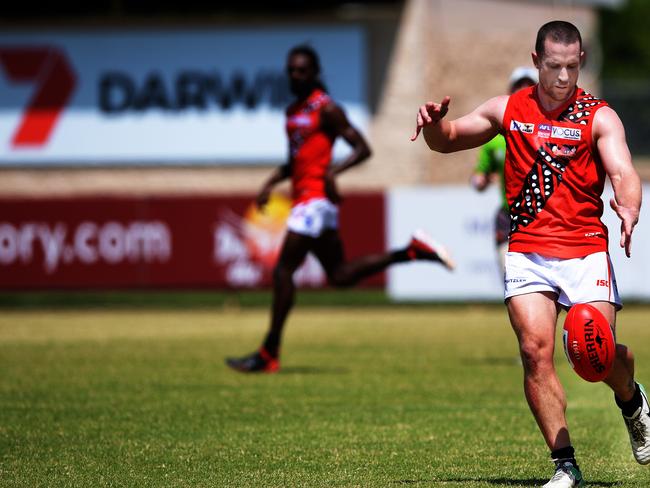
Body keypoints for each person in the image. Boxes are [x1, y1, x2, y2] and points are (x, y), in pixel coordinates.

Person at [412, 21, 648, 488]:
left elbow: (622, 169)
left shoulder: (599, 116)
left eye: (572, 66)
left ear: (581, 62)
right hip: (528, 251)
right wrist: (435, 124)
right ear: (536, 61)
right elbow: (450, 139)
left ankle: (632, 400)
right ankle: (566, 466)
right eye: (554, 66)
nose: (563, 77)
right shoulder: (508, 109)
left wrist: (629, 204)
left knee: (594, 360)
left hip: (584, 250)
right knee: (534, 351)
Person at [226, 45, 454, 374]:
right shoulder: (292, 112)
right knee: (340, 275)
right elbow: (295, 161)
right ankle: (411, 252)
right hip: (307, 199)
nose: (295, 75)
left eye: (302, 70)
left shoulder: (327, 108)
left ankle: (268, 352)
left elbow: (362, 148)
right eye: (291, 70)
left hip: (315, 201)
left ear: (315, 73)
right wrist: (269, 183)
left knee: (282, 271)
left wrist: (333, 172)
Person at [470, 67, 537, 273]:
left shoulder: (548, 132)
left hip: (541, 217)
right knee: (509, 274)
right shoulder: (495, 139)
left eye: (528, 87)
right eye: (518, 87)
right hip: (507, 216)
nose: (523, 91)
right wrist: (479, 181)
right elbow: (478, 176)